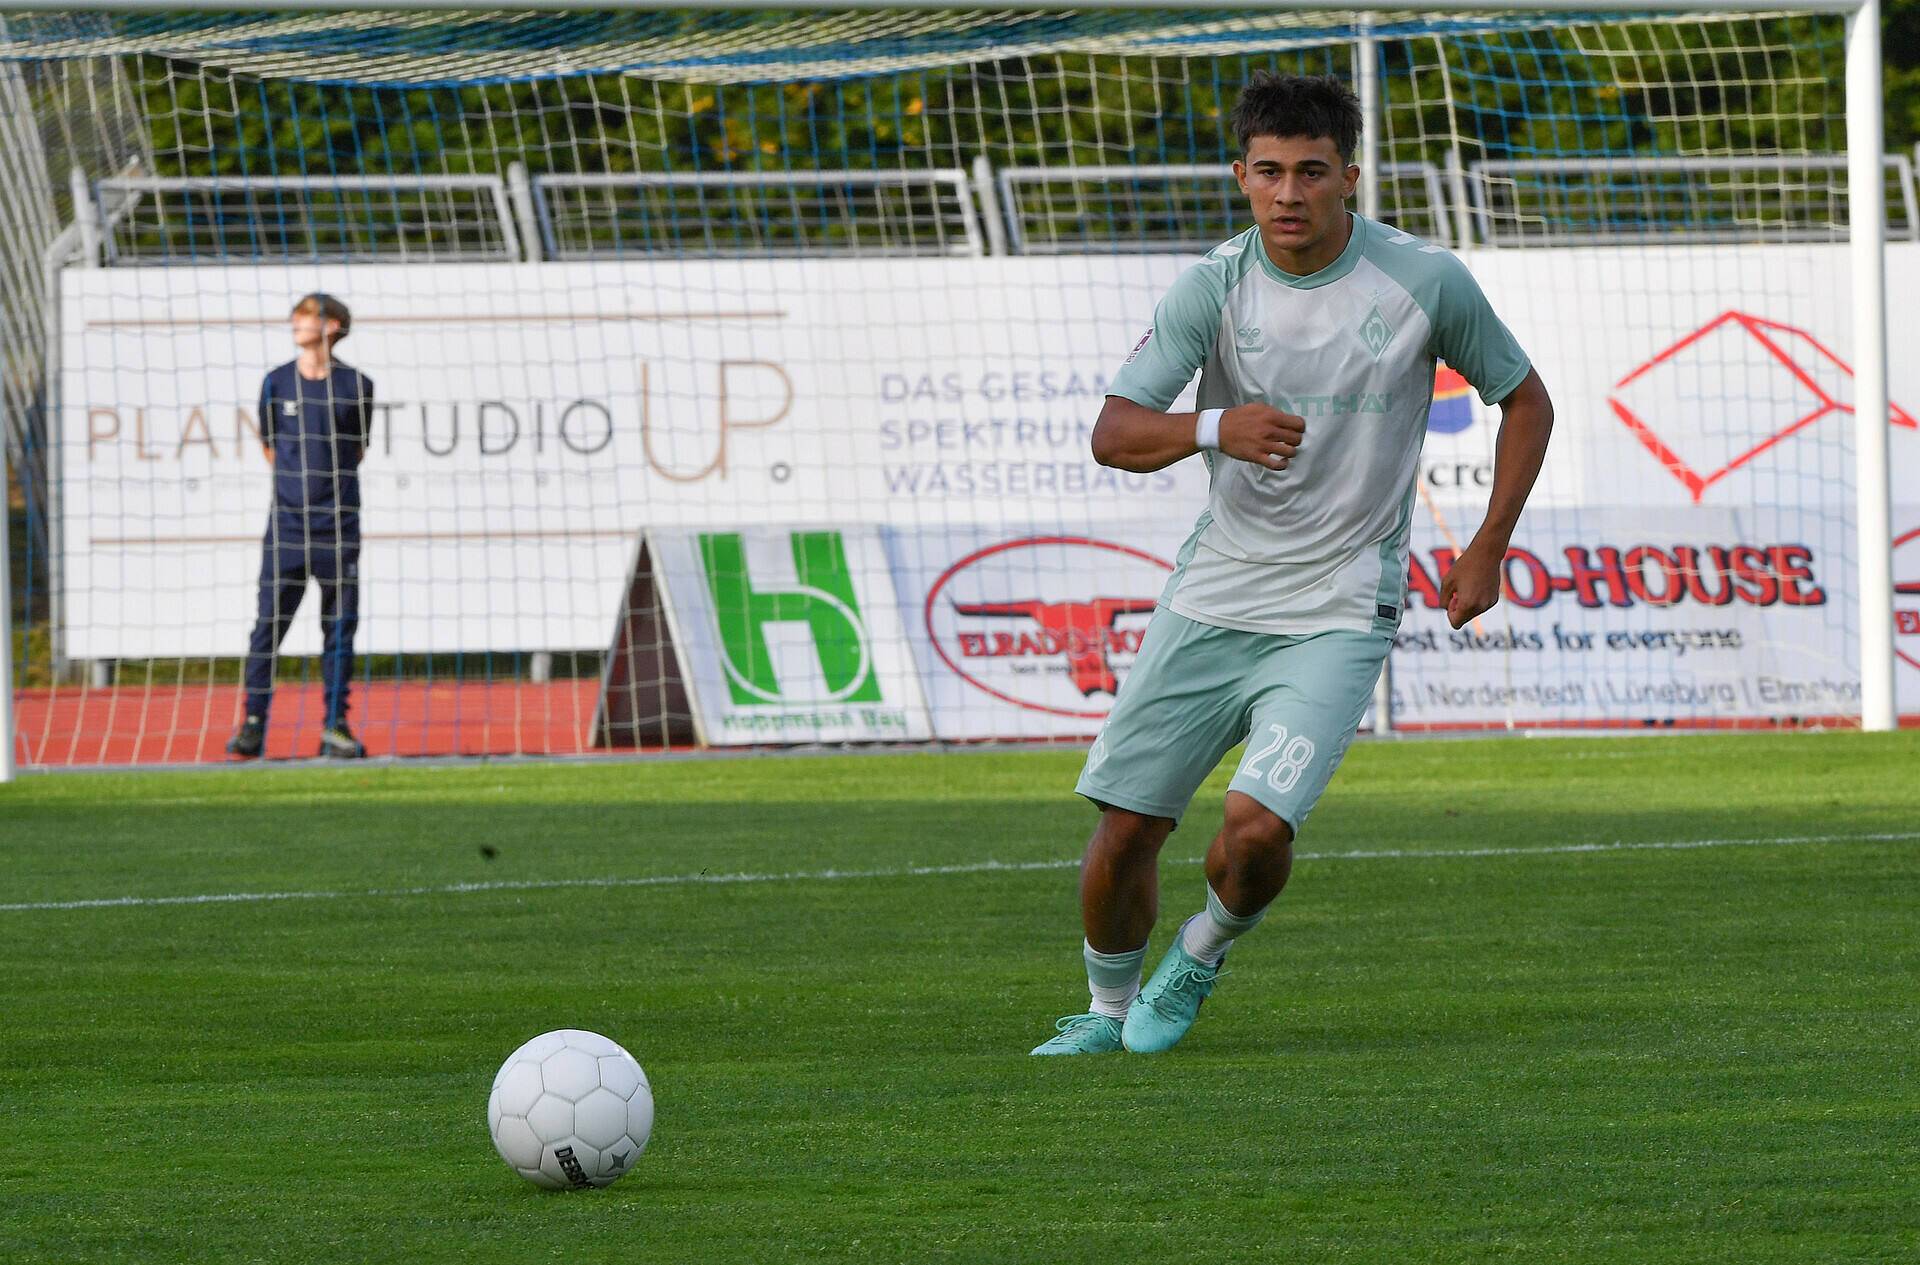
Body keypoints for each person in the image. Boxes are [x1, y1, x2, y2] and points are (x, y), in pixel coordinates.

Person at [1032, 73, 1555, 1055]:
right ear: (1240, 176)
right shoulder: (1215, 285)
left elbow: (1526, 399)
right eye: (1269, 171)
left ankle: (1201, 949)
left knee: (1258, 828)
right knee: (1127, 827)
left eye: (1311, 172)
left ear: (1349, 177)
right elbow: (1113, 431)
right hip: (1214, 594)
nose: (1289, 193)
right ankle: (1104, 1017)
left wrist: (1487, 544)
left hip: (1341, 603)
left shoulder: (1423, 280)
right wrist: (1215, 424)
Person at [226, 293, 374, 760]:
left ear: (331, 326)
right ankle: (253, 724)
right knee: (267, 628)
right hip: (287, 530)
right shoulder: (276, 382)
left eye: (306, 315)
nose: (295, 322)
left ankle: (335, 725)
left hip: (339, 529)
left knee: (339, 629)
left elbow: (357, 449)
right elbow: (270, 445)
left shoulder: (357, 385)